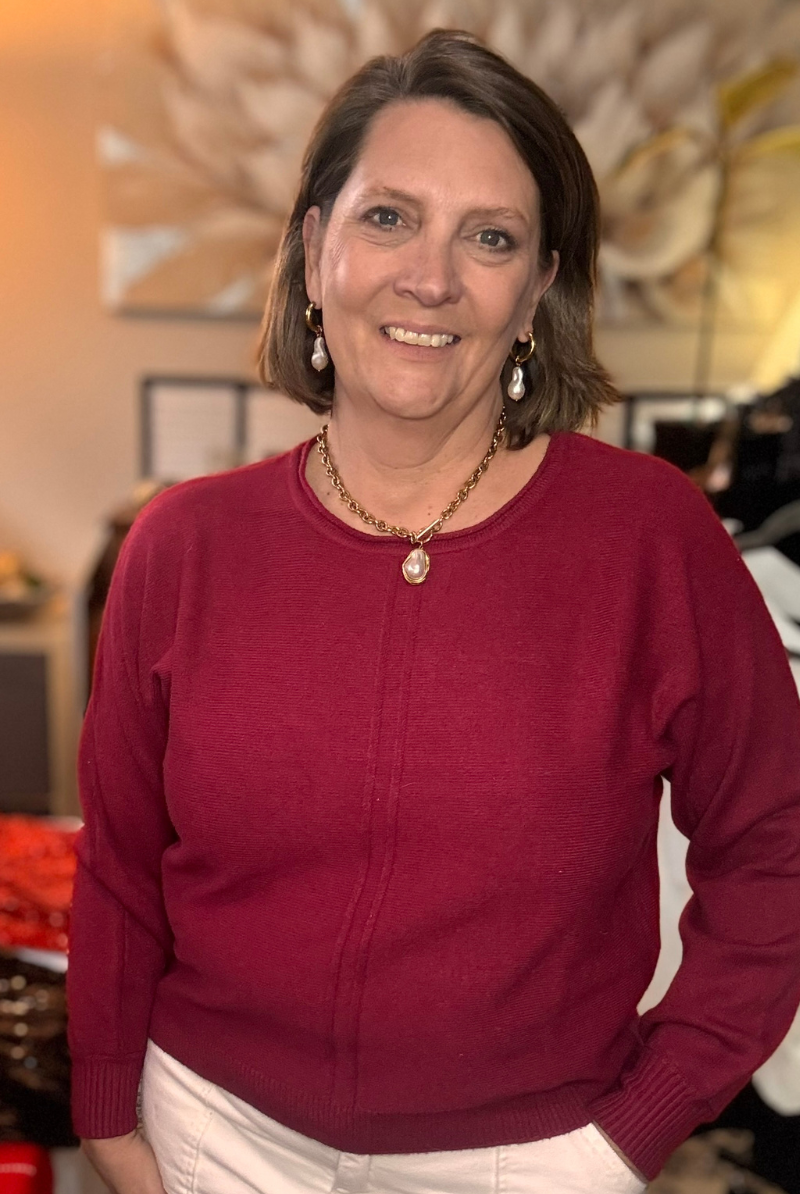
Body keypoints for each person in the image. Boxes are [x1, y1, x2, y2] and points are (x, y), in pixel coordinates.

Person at [68, 29, 800, 1194]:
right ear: (315, 249)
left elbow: (776, 845)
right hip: (210, 1136)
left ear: (538, 287)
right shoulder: (182, 545)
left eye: (489, 237)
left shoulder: (649, 537)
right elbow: (119, 865)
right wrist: (108, 1112)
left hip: (530, 1160)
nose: (431, 277)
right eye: (388, 217)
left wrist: (638, 1123)